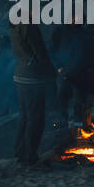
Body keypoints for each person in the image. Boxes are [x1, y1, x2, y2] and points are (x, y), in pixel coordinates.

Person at [11, 19, 56, 167]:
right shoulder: (28, 26)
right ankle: (30, 156)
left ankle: (20, 152)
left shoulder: (15, 26)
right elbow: (39, 52)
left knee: (25, 115)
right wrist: (51, 72)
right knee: (35, 117)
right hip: (32, 77)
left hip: (20, 75)